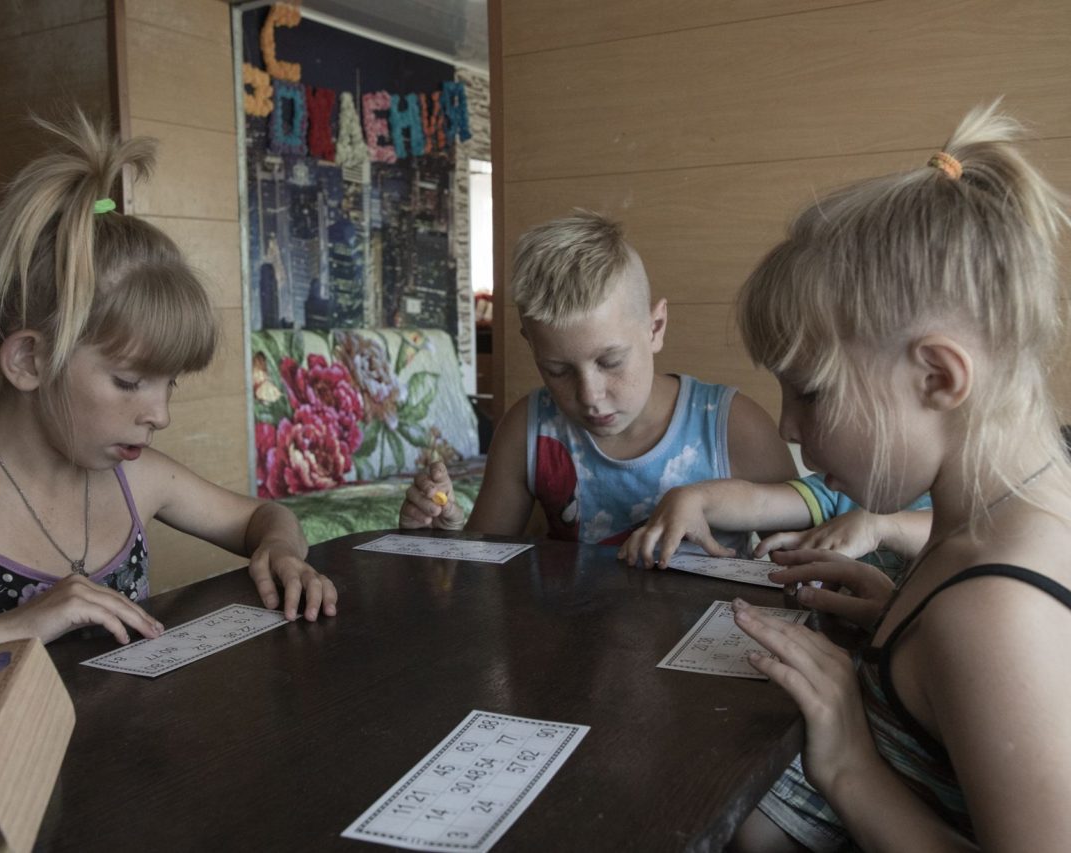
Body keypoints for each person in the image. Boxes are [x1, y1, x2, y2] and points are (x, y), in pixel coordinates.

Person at [0, 112, 336, 713]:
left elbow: (264, 515)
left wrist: (280, 549)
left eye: (170, 384)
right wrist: (14, 629)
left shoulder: (136, 477)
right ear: (29, 360)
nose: (160, 415)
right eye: (129, 382)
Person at [728, 102, 1071, 851]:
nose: (787, 428)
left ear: (937, 377)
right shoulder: (1013, 515)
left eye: (810, 393)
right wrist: (900, 633)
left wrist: (849, 764)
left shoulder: (992, 617)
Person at [399, 211, 796, 545]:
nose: (589, 395)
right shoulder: (526, 431)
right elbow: (481, 564)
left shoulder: (733, 427)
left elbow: (806, 562)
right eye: (557, 370)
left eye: (611, 362)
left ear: (655, 328)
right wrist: (443, 535)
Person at [619, 474, 932, 609]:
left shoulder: (958, 510)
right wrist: (692, 498)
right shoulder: (845, 484)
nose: (788, 430)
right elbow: (760, 503)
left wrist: (881, 525)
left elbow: (960, 537)